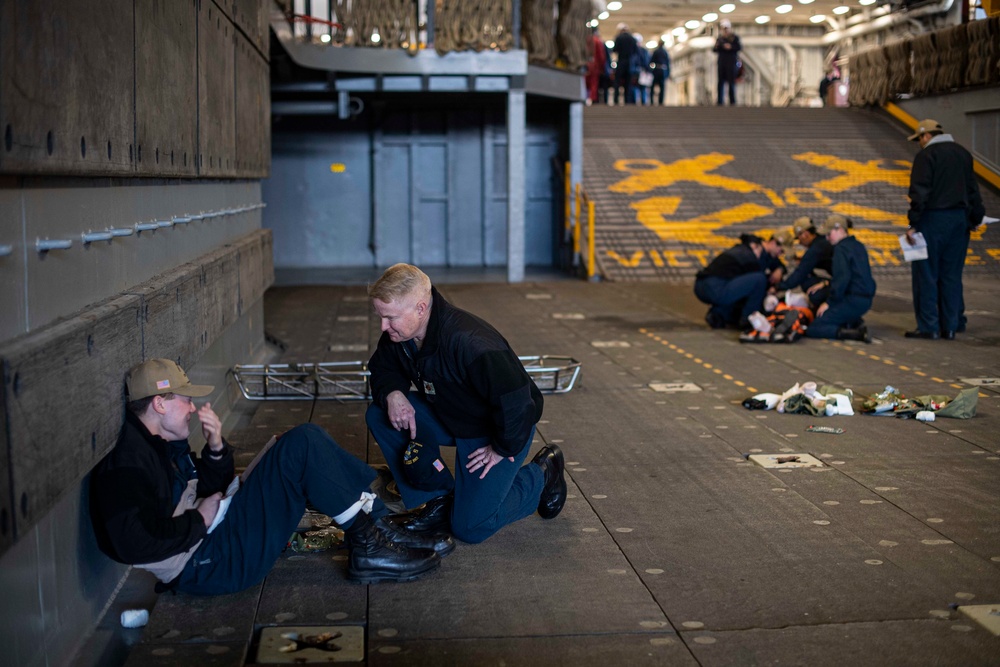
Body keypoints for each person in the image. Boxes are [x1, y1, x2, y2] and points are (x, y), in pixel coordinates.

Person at [91, 359, 450, 595]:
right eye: (184, 399)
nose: (191, 407)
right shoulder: (127, 466)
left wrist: (216, 449)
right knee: (301, 445)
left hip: (217, 538)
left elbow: (208, 487)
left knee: (302, 439)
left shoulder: (161, 441)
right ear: (159, 403)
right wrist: (198, 521)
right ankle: (370, 544)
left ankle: (377, 528)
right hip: (210, 563)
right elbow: (131, 543)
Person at [365, 264, 567, 545]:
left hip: (496, 429)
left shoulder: (472, 342)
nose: (384, 327)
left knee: (470, 527)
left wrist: (501, 448)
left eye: (390, 318)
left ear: (421, 309)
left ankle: (542, 475)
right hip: (448, 414)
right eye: (381, 317)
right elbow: (383, 368)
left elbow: (520, 404)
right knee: (379, 413)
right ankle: (437, 501)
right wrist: (392, 394)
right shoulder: (401, 335)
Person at [904, 119, 985, 340]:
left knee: (927, 274)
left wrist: (913, 224)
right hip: (959, 221)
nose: (919, 144)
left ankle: (929, 326)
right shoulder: (963, 153)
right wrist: (976, 217)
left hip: (932, 220)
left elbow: (919, 193)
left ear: (926, 135)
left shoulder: (926, 156)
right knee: (951, 275)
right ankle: (950, 326)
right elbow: (972, 190)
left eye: (919, 139)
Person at [805, 215, 875, 342]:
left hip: (853, 299)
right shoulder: (858, 245)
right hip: (865, 300)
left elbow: (842, 279)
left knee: (815, 327)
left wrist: (828, 303)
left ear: (839, 229)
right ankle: (853, 321)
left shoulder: (841, 249)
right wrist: (827, 283)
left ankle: (854, 334)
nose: (827, 238)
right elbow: (854, 275)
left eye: (829, 233)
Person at [694, 235, 769, 329]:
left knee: (738, 289)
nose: (759, 256)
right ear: (754, 246)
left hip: (701, 286)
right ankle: (749, 320)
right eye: (760, 251)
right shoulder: (748, 256)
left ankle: (719, 314)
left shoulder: (738, 250)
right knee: (759, 279)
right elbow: (757, 280)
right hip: (716, 288)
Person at [777, 216, 835, 308]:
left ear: (805, 234)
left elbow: (799, 275)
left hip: (845, 285)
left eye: (799, 238)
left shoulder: (816, 249)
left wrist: (778, 287)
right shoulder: (821, 242)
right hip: (843, 281)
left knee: (812, 289)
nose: (799, 242)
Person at [713, 19, 741, 106]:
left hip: (731, 63)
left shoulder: (734, 38)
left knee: (731, 82)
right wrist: (718, 46)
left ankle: (732, 101)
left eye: (726, 28)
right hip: (722, 63)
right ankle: (720, 101)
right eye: (723, 28)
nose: (725, 30)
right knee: (720, 82)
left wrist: (730, 47)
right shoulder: (720, 39)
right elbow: (714, 49)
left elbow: (739, 47)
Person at [613, 23, 637, 105]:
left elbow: (615, 49)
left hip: (621, 62)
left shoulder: (618, 38)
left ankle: (616, 100)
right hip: (630, 63)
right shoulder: (633, 39)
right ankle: (627, 100)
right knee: (628, 83)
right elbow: (635, 51)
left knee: (617, 82)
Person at [585, 28, 608, 105]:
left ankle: (584, 98)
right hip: (594, 66)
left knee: (585, 83)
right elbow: (601, 56)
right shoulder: (597, 41)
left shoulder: (585, 40)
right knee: (593, 83)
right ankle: (593, 100)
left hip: (585, 64)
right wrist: (602, 67)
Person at [651, 40, 671, 106]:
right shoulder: (665, 52)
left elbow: (651, 61)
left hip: (656, 70)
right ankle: (661, 102)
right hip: (663, 71)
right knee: (662, 87)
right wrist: (668, 73)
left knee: (653, 86)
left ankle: (652, 101)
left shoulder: (656, 51)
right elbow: (668, 63)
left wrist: (651, 70)